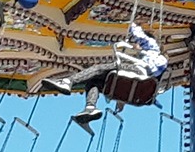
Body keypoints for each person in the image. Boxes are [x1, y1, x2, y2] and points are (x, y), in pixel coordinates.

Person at [38, 24, 167, 126]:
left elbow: (140, 35)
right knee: (94, 82)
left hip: (138, 71)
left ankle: (68, 81)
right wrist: (121, 99)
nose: (136, 46)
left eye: (137, 44)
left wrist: (132, 24)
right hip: (140, 86)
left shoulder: (152, 47)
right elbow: (142, 86)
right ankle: (90, 108)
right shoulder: (160, 66)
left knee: (99, 68)